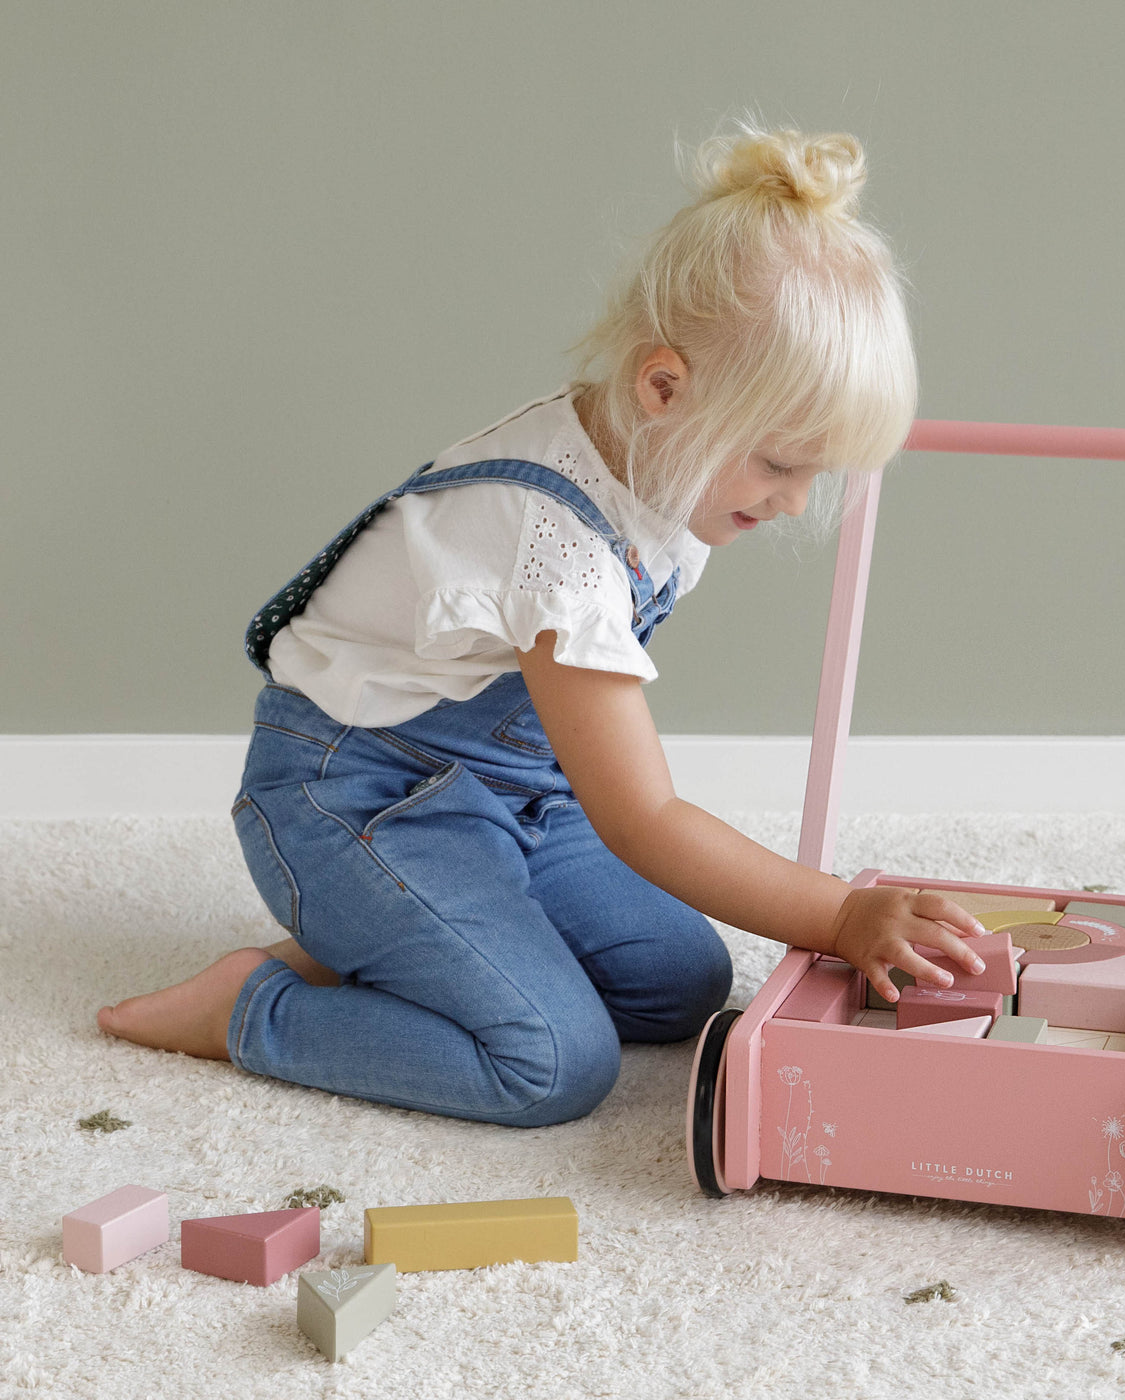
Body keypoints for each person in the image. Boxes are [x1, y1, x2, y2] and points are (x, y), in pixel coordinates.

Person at [97, 123, 987, 1127]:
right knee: (551, 1060)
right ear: (663, 389)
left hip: (508, 798)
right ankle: (252, 1010)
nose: (791, 500)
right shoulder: (553, 545)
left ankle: (399, 939)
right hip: (348, 795)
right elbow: (641, 816)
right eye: (779, 464)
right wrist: (836, 912)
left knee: (679, 982)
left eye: (814, 473)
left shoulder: (653, 461)